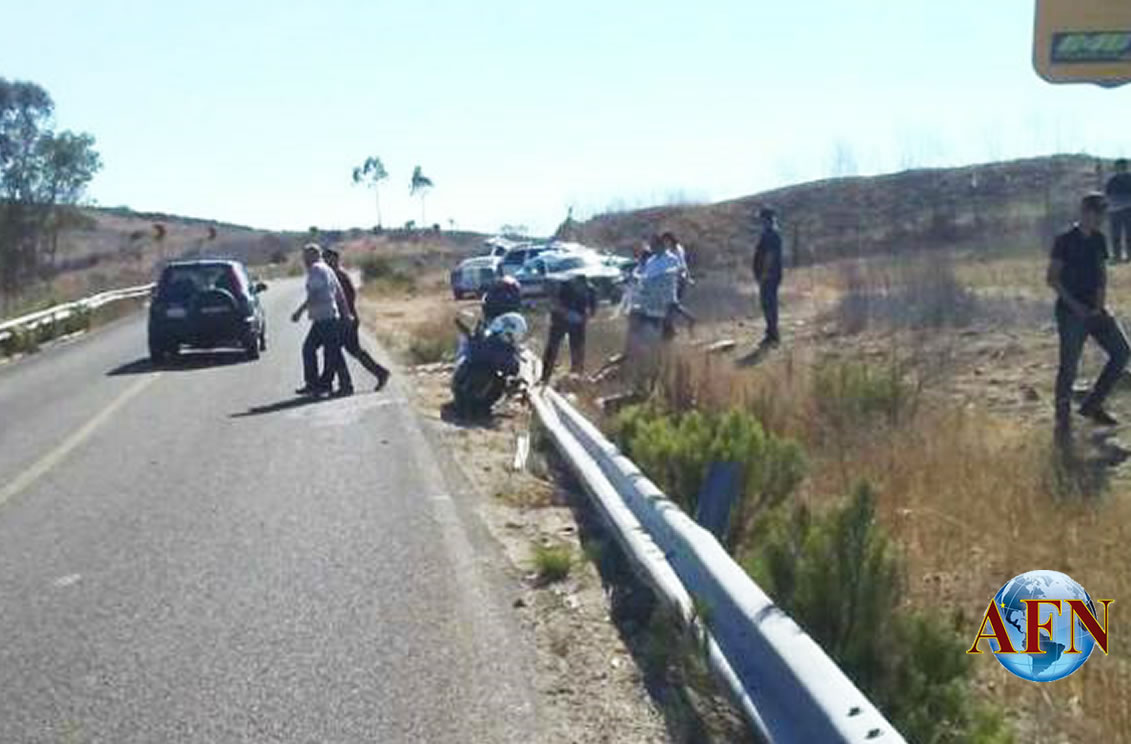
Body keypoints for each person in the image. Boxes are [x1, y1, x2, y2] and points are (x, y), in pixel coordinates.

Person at [1048, 192, 1130, 431]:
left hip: (1095, 311)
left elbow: (1101, 275)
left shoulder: (1099, 239)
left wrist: (1099, 306)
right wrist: (1076, 307)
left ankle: (1093, 405)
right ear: (1085, 212)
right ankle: (1063, 421)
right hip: (1070, 313)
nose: (1101, 219)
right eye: (1097, 213)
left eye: (1103, 214)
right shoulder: (1064, 240)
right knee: (1069, 367)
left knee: (1122, 353)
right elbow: (1052, 278)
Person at [323, 246, 391, 391]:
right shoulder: (335, 275)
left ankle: (343, 384)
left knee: (335, 349)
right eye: (325, 259)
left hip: (346, 319)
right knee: (351, 350)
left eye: (328, 258)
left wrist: (345, 316)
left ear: (334, 259)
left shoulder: (339, 276)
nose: (326, 261)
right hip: (346, 318)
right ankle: (380, 373)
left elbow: (348, 297)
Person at [291, 243, 353, 396]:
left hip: (325, 318)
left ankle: (336, 385)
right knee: (328, 351)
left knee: (321, 350)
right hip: (326, 316)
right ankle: (322, 384)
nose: (303, 259)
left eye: (306, 256)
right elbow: (339, 293)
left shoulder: (316, 270)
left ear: (312, 255)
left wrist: (299, 311)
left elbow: (315, 294)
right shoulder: (327, 269)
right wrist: (345, 313)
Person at [540, 274, 597, 385]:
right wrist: (565, 312)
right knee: (553, 347)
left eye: (582, 287)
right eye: (578, 286)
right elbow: (554, 303)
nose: (580, 289)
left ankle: (576, 376)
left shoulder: (590, 290)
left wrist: (586, 316)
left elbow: (592, 310)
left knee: (578, 349)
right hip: (559, 320)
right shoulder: (563, 286)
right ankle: (545, 376)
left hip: (578, 322)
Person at [752, 207, 783, 346]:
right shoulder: (769, 233)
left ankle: (773, 334)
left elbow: (770, 255)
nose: (761, 222)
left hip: (769, 275)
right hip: (770, 275)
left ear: (767, 220)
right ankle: (771, 332)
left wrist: (764, 272)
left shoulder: (771, 234)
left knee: (769, 303)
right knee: (767, 304)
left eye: (762, 219)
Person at [1105, 158, 1131, 262]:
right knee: (1116, 235)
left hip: (1128, 210)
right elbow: (1108, 195)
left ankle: (1129, 256)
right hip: (1115, 210)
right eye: (1119, 167)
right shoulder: (1112, 181)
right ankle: (1117, 256)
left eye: (1123, 167)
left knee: (1129, 234)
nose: (1121, 169)